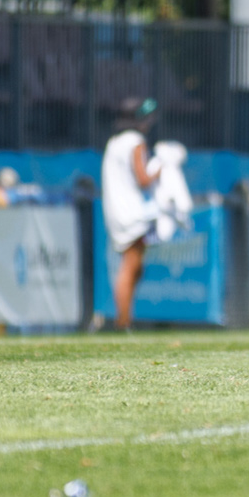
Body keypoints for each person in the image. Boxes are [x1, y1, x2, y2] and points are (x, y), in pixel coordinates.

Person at [100, 97, 160, 331]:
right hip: (130, 211)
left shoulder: (114, 142)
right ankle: (123, 322)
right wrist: (161, 167)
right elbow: (144, 179)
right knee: (131, 264)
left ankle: (125, 318)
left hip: (115, 210)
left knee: (136, 266)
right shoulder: (136, 141)